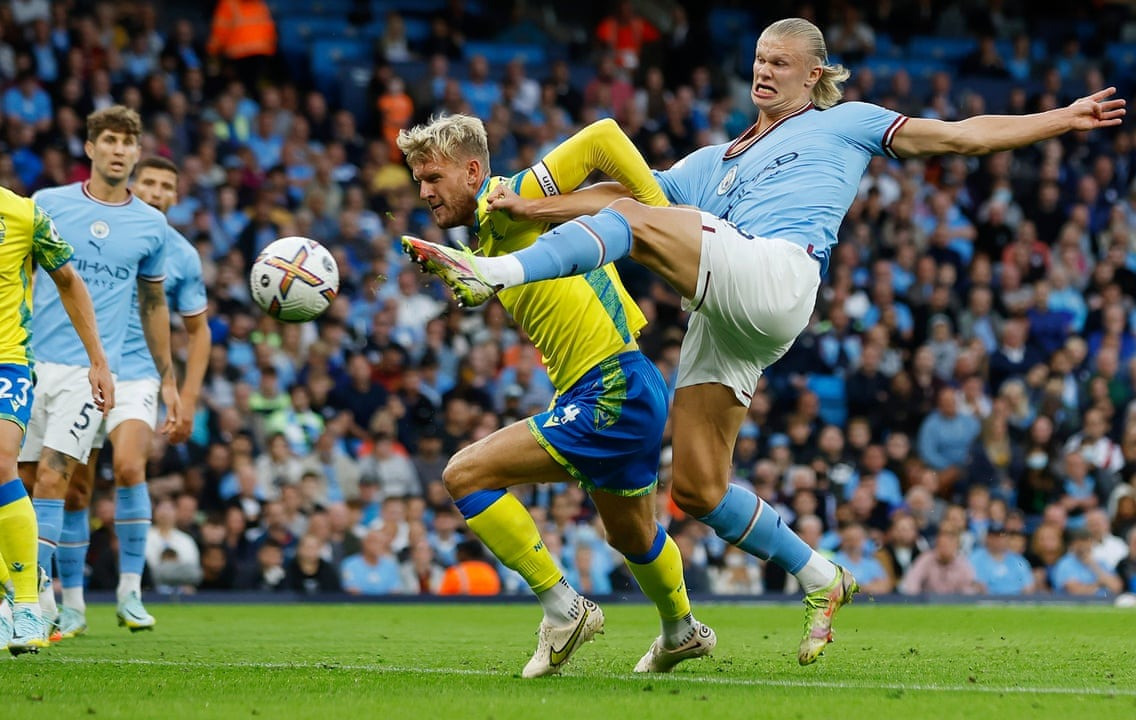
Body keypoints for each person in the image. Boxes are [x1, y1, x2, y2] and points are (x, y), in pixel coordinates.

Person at [404, 17, 1125, 664]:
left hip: (778, 272)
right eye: (758, 59)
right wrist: (535, 207)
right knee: (697, 488)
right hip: (724, 309)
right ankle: (821, 575)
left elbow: (962, 135)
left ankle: (491, 272)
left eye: (780, 62)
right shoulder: (713, 161)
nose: (764, 70)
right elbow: (620, 198)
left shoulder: (845, 122)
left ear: (815, 74)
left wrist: (1060, 119)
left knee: (635, 220)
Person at [397, 114, 715, 677]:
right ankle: (681, 629)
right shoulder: (491, 234)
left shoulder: (509, 198)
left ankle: (564, 609)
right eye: (418, 180)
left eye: (433, 177)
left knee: (464, 475)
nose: (423, 191)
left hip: (610, 387)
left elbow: (604, 137)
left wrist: (663, 220)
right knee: (631, 533)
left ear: (472, 171)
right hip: (627, 383)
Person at [0, 102, 113, 654]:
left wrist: (98, 360)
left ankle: (31, 610)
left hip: (1, 363)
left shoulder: (24, 215)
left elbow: (69, 281)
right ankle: (14, 581)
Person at [19, 105, 179, 638]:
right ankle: (47, 599)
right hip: (30, 363)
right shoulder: (47, 204)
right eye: (109, 140)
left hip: (90, 372)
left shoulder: (151, 226)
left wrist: (168, 377)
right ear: (90, 148)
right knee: (26, 483)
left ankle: (40, 603)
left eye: (127, 142)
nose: (118, 150)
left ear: (136, 153)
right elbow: (18, 272)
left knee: (59, 475)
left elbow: (153, 305)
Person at [63, 155, 211, 634]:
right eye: (148, 182)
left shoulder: (183, 255)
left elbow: (199, 332)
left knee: (129, 466)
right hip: (82, 368)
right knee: (76, 487)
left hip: (139, 374)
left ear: (175, 197)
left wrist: (187, 397)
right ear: (133, 184)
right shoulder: (99, 233)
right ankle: (72, 602)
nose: (156, 191)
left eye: (166, 185)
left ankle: (130, 591)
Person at [968, 523, 1035, 595]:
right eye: (994, 536)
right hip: (986, 599)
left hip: (1016, 599)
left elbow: (1028, 584)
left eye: (1002, 536)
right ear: (987, 538)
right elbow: (973, 584)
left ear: (1007, 538)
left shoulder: (1017, 559)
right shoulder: (975, 557)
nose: (998, 540)